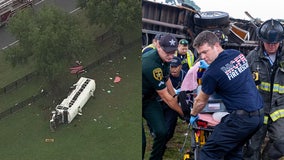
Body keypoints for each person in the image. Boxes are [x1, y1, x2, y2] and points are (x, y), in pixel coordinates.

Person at [189, 30, 264, 159]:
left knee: (208, 153)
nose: (202, 57)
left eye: (205, 52)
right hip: (258, 115)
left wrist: (193, 114)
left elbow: (201, 101)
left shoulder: (211, 73)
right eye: (200, 53)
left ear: (216, 45)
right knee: (233, 151)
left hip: (241, 119)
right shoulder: (237, 55)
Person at [243, 19, 284, 160]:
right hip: (257, 110)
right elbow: (243, 84)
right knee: (251, 147)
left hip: (279, 110)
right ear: (261, 41)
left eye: (275, 43)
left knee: (281, 142)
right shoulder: (252, 58)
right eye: (268, 43)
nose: (272, 46)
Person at [142, 34, 184, 160]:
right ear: (158, 46)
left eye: (173, 52)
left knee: (162, 132)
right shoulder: (150, 64)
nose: (171, 56)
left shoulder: (166, 59)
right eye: (167, 52)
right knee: (141, 142)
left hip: (149, 100)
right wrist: (183, 113)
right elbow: (165, 97)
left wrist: (175, 95)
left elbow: (166, 80)